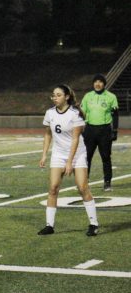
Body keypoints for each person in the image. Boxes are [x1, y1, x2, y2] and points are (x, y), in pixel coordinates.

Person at [38, 85, 99, 237]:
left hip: (77, 153)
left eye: (58, 95)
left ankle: (93, 224)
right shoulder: (50, 113)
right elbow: (48, 135)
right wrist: (44, 154)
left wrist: (70, 162)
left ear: (66, 97)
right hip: (58, 154)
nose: (55, 97)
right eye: (53, 95)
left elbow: (75, 139)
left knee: (82, 187)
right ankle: (49, 225)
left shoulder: (75, 114)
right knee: (53, 188)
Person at [80, 74, 119, 191]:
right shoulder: (87, 96)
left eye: (100, 82)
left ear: (104, 84)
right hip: (90, 130)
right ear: (93, 84)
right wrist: (81, 129)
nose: (98, 84)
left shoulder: (111, 96)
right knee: (86, 157)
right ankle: (84, 181)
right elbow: (82, 114)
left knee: (106, 157)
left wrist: (115, 131)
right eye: (95, 82)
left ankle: (107, 183)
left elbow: (115, 115)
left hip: (105, 131)